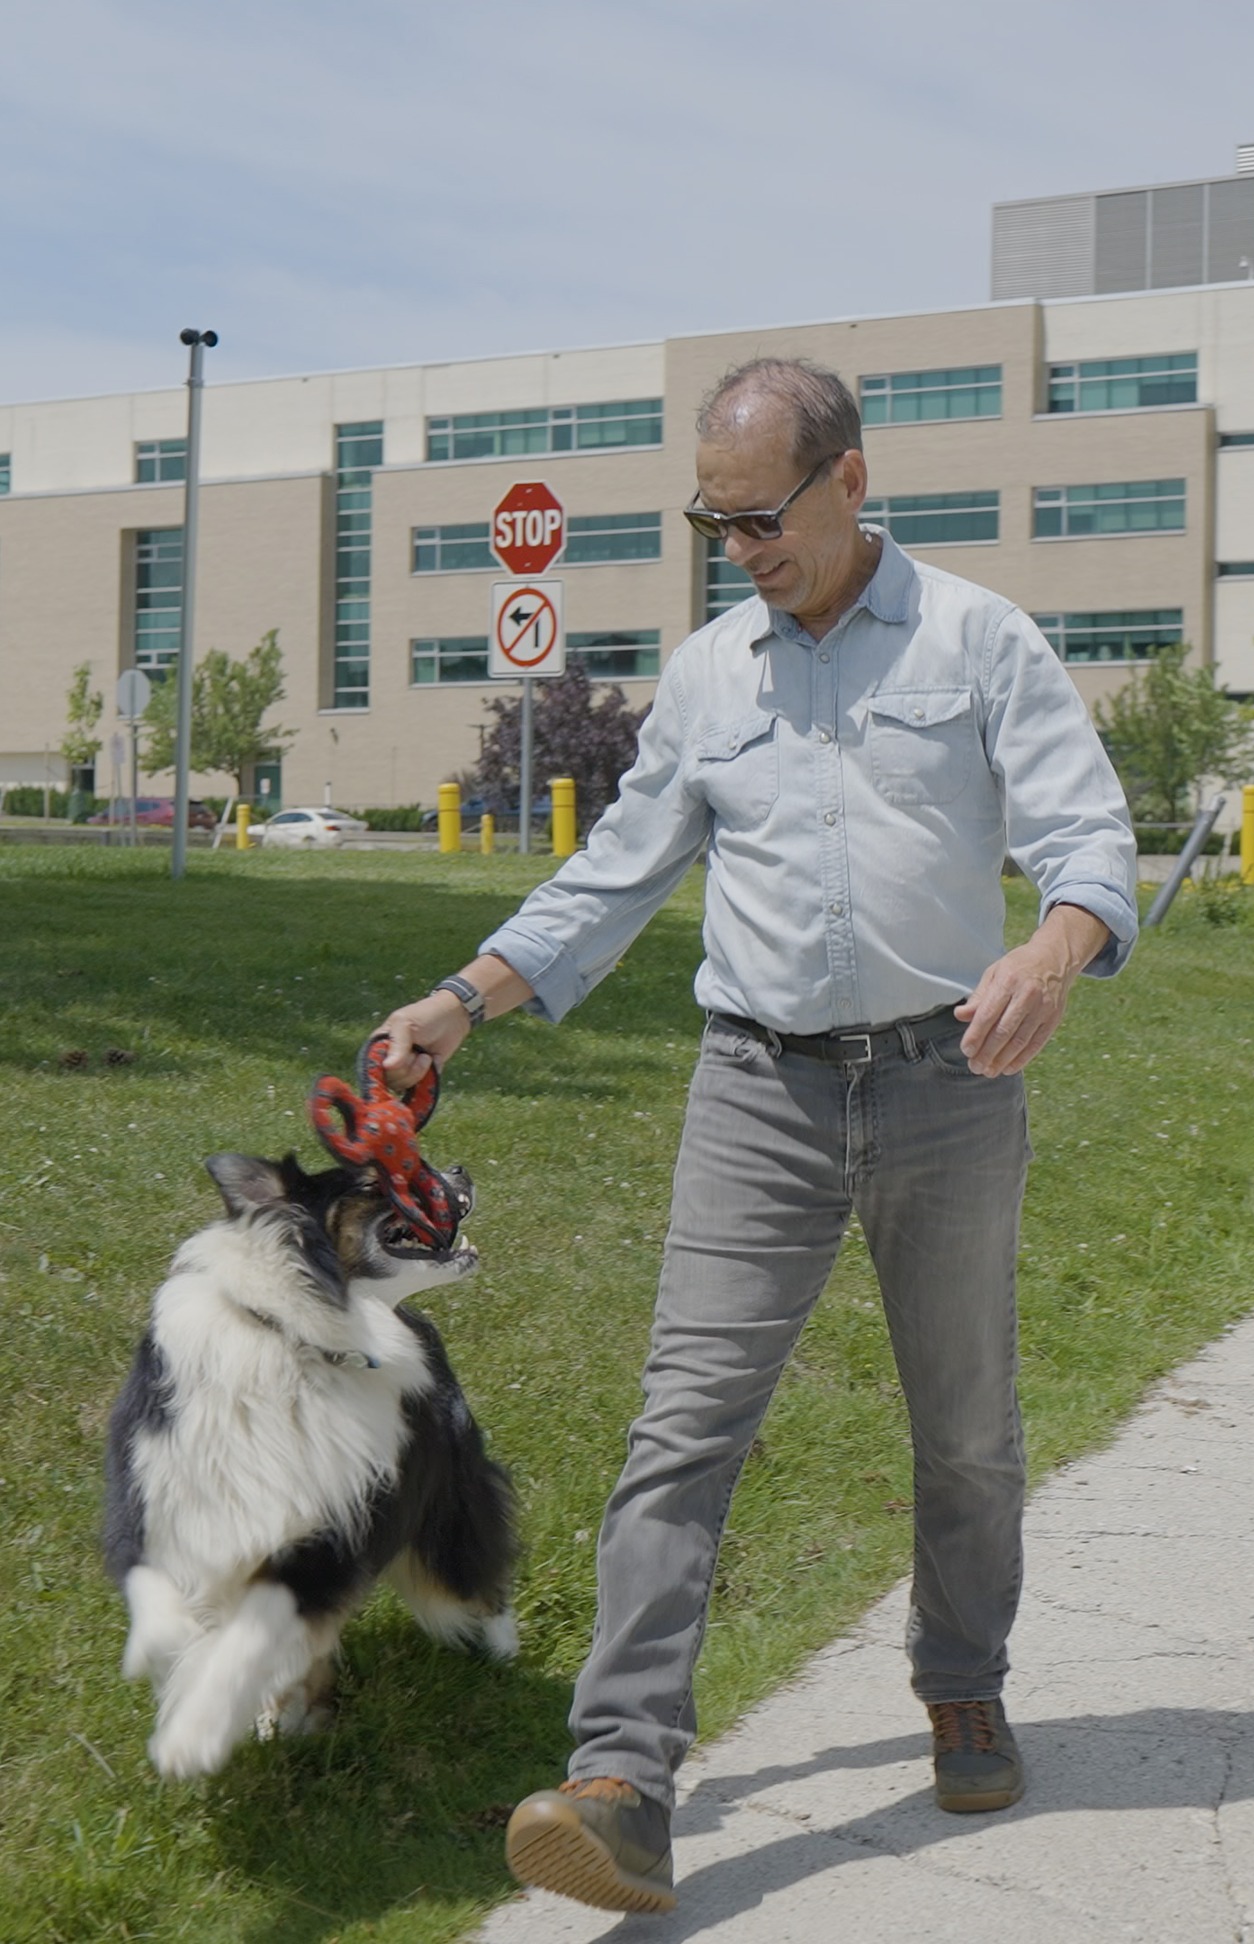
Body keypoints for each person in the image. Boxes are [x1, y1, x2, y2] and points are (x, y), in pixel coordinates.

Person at [376, 356, 1137, 1916]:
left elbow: (1087, 836)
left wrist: (1053, 950)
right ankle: (622, 1778)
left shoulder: (979, 637)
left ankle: (964, 1681)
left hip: (949, 1085)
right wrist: (467, 994)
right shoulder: (713, 672)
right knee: (683, 1428)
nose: (741, 547)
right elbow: (614, 871)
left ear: (852, 481)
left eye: (762, 515)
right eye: (714, 524)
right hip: (758, 1091)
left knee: (968, 1428)